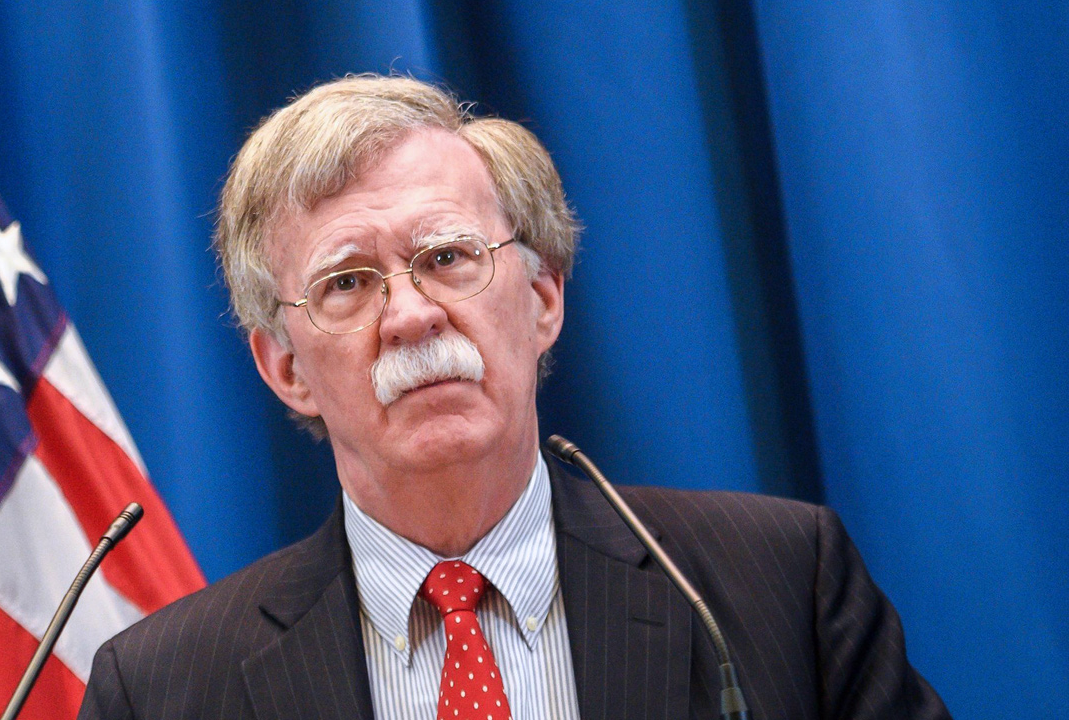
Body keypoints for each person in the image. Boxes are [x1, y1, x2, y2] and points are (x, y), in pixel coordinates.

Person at [78, 75, 946, 720]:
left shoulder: (779, 586)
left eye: (447, 258)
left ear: (541, 299)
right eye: (347, 283)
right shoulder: (161, 691)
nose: (411, 316)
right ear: (285, 369)